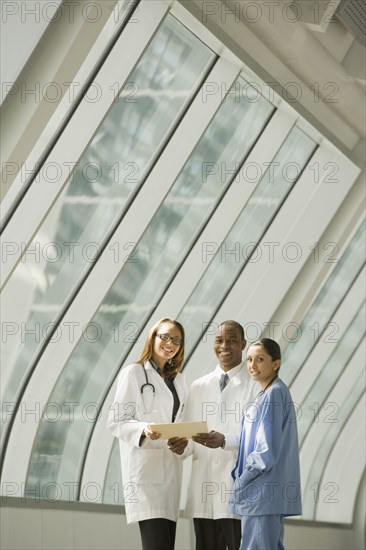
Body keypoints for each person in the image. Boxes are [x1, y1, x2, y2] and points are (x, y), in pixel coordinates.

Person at [168, 321, 259, 550]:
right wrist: (181, 447)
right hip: (204, 491)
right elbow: (188, 436)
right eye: (219, 340)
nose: (224, 345)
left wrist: (225, 440)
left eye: (231, 340)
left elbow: (259, 439)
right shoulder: (198, 386)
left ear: (243, 344)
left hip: (237, 489)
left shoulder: (255, 387)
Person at [107, 317, 187, 550]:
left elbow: (180, 421)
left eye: (176, 340)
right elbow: (116, 421)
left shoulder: (179, 381)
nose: (170, 343)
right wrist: (143, 428)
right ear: (152, 337)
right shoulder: (133, 374)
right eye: (164, 336)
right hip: (145, 477)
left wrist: (183, 443)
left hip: (171, 473)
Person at [230, 338, 302, 550]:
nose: (252, 365)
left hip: (261, 492)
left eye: (260, 359)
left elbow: (265, 451)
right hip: (264, 494)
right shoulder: (268, 393)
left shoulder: (274, 394)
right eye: (250, 359)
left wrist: (242, 480)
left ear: (276, 363)